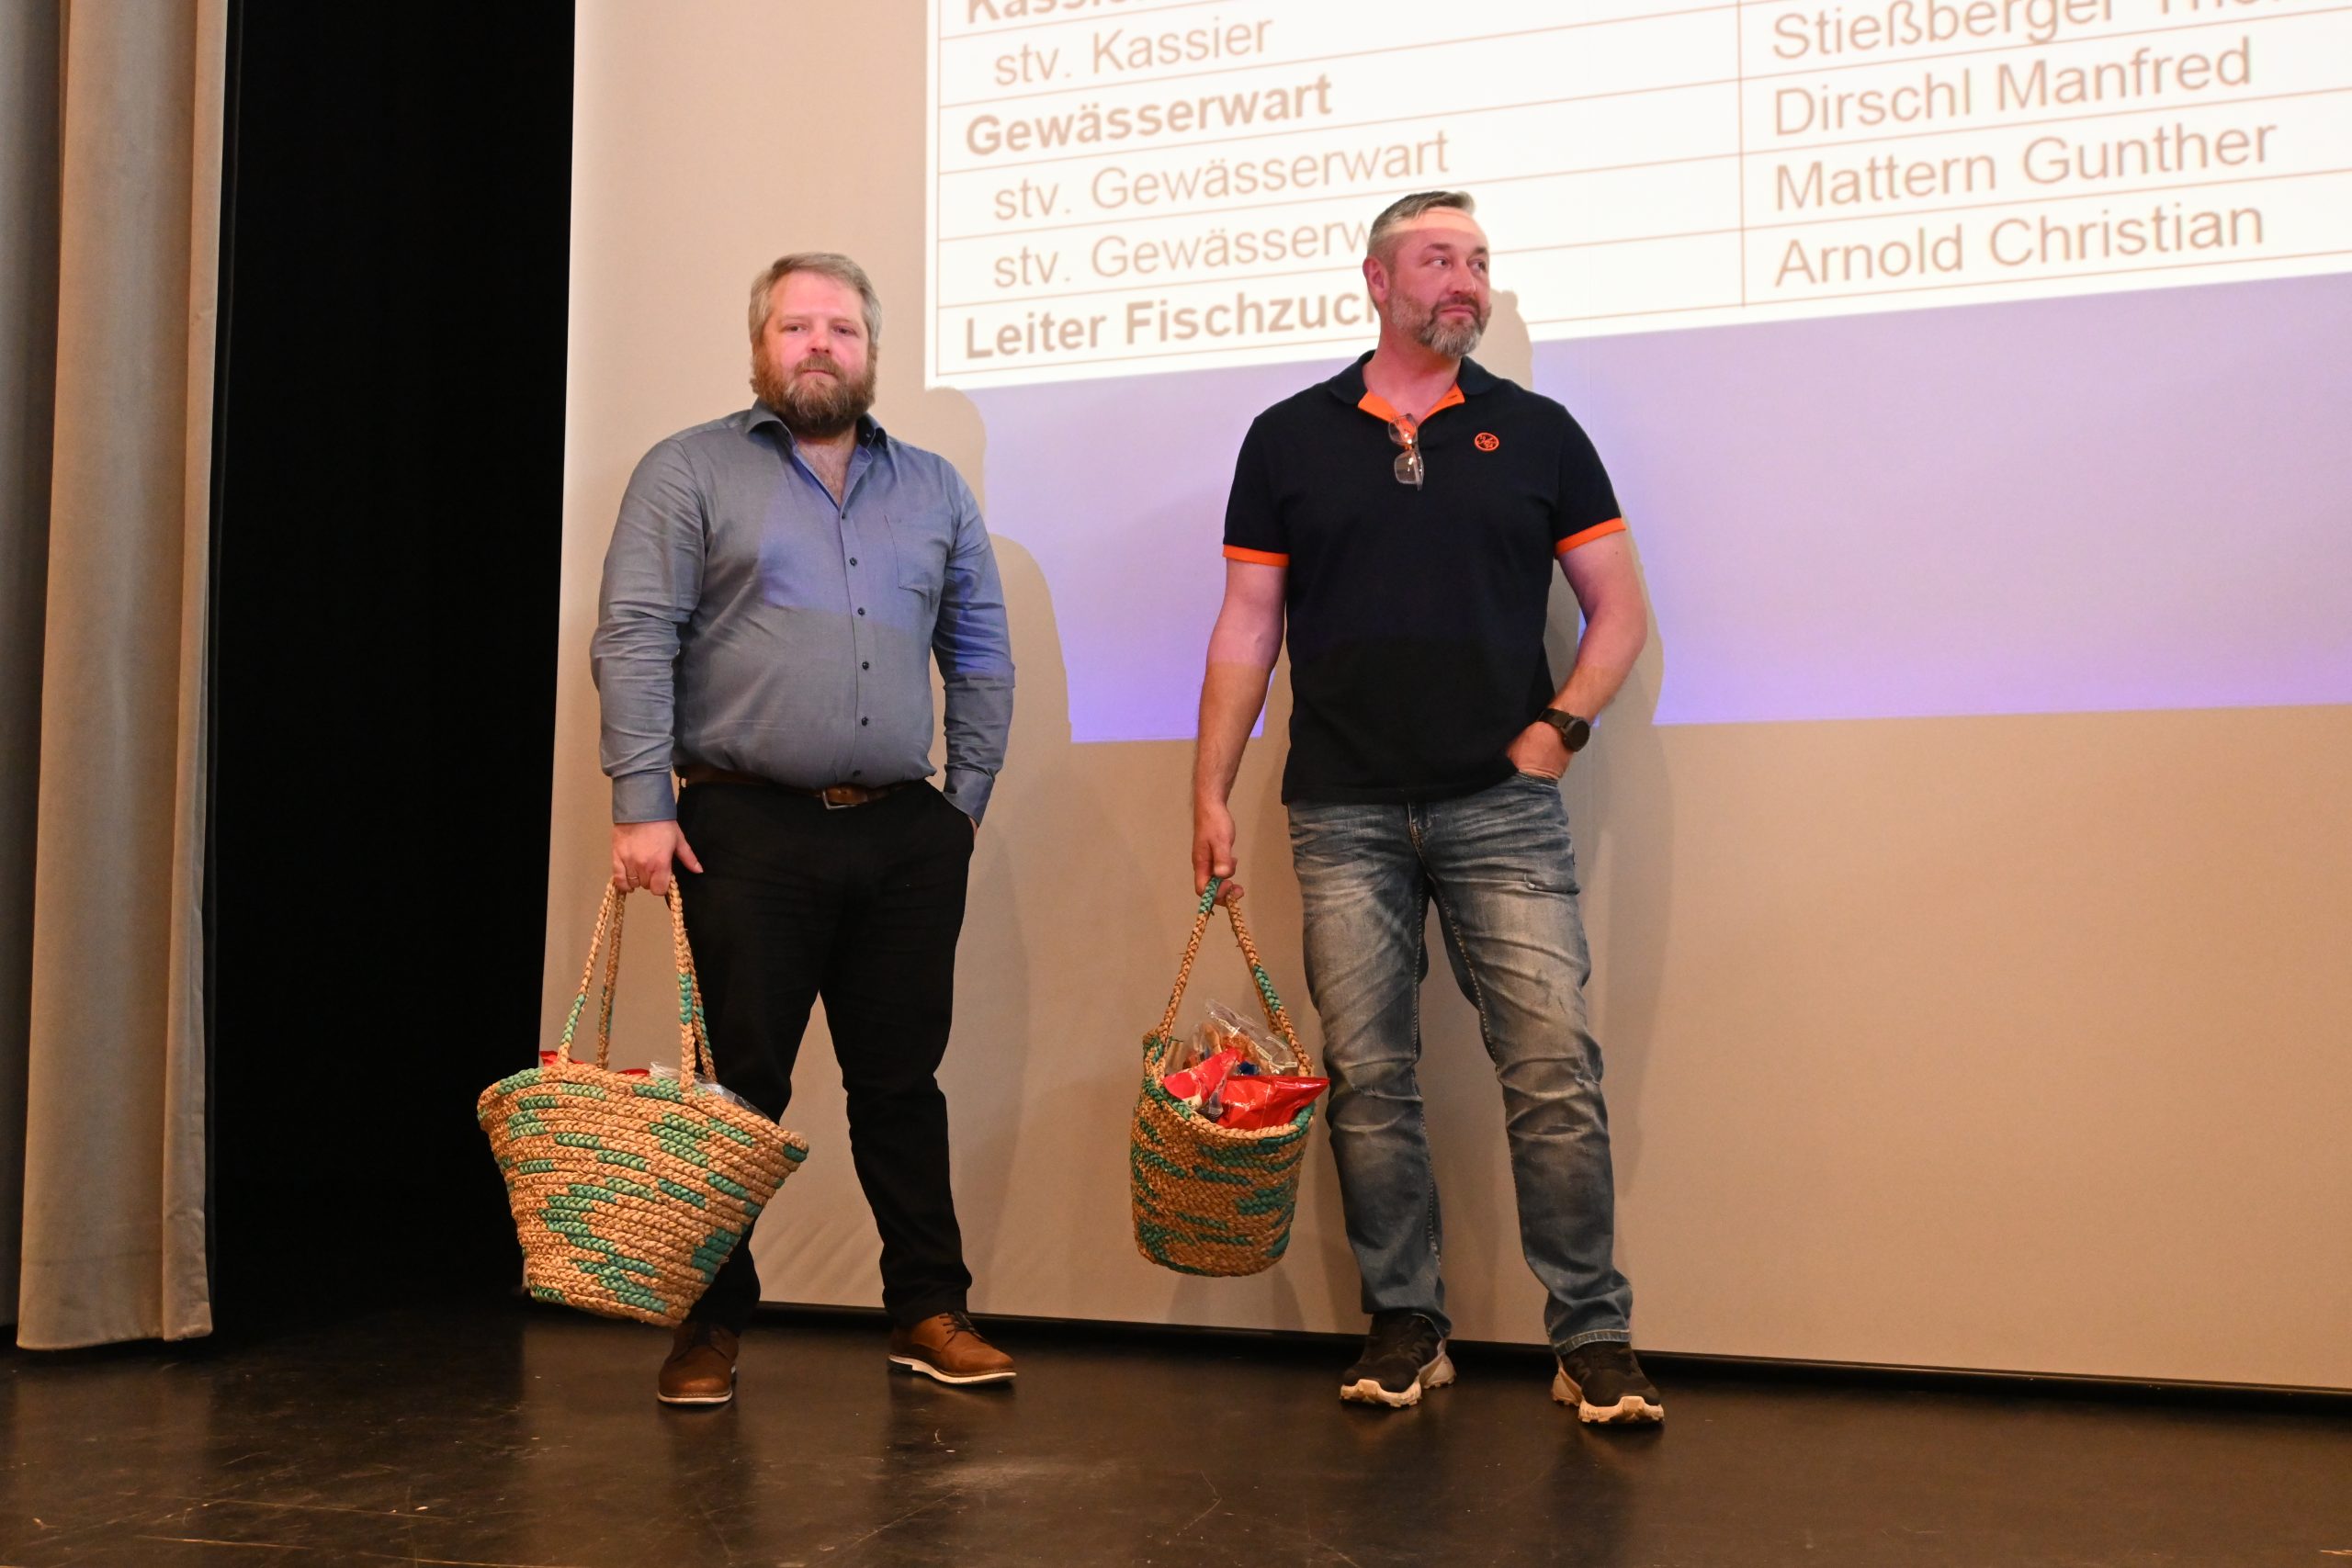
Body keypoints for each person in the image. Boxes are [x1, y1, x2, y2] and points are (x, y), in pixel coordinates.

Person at [1190, 192, 1663, 1423]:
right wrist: (1209, 788)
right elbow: (1246, 626)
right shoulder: (1287, 437)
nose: (1465, 281)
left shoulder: (1540, 433)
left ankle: (1592, 1333)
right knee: (1369, 1078)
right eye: (1439, 259)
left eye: (1479, 261)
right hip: (1340, 810)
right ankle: (1406, 1321)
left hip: (1501, 803)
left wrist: (1558, 730)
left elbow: (1619, 608)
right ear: (1377, 281)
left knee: (1552, 1070)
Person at [594, 252, 1017, 1404]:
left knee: (901, 1085)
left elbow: (980, 650)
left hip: (902, 834)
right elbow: (634, 635)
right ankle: (709, 1326)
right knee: (738, 1091)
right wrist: (641, 803)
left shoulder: (933, 487)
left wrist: (961, 808)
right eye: (796, 327)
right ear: (759, 347)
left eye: (840, 328)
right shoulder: (689, 470)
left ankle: (927, 1310)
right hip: (743, 827)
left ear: (871, 350)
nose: (819, 344)